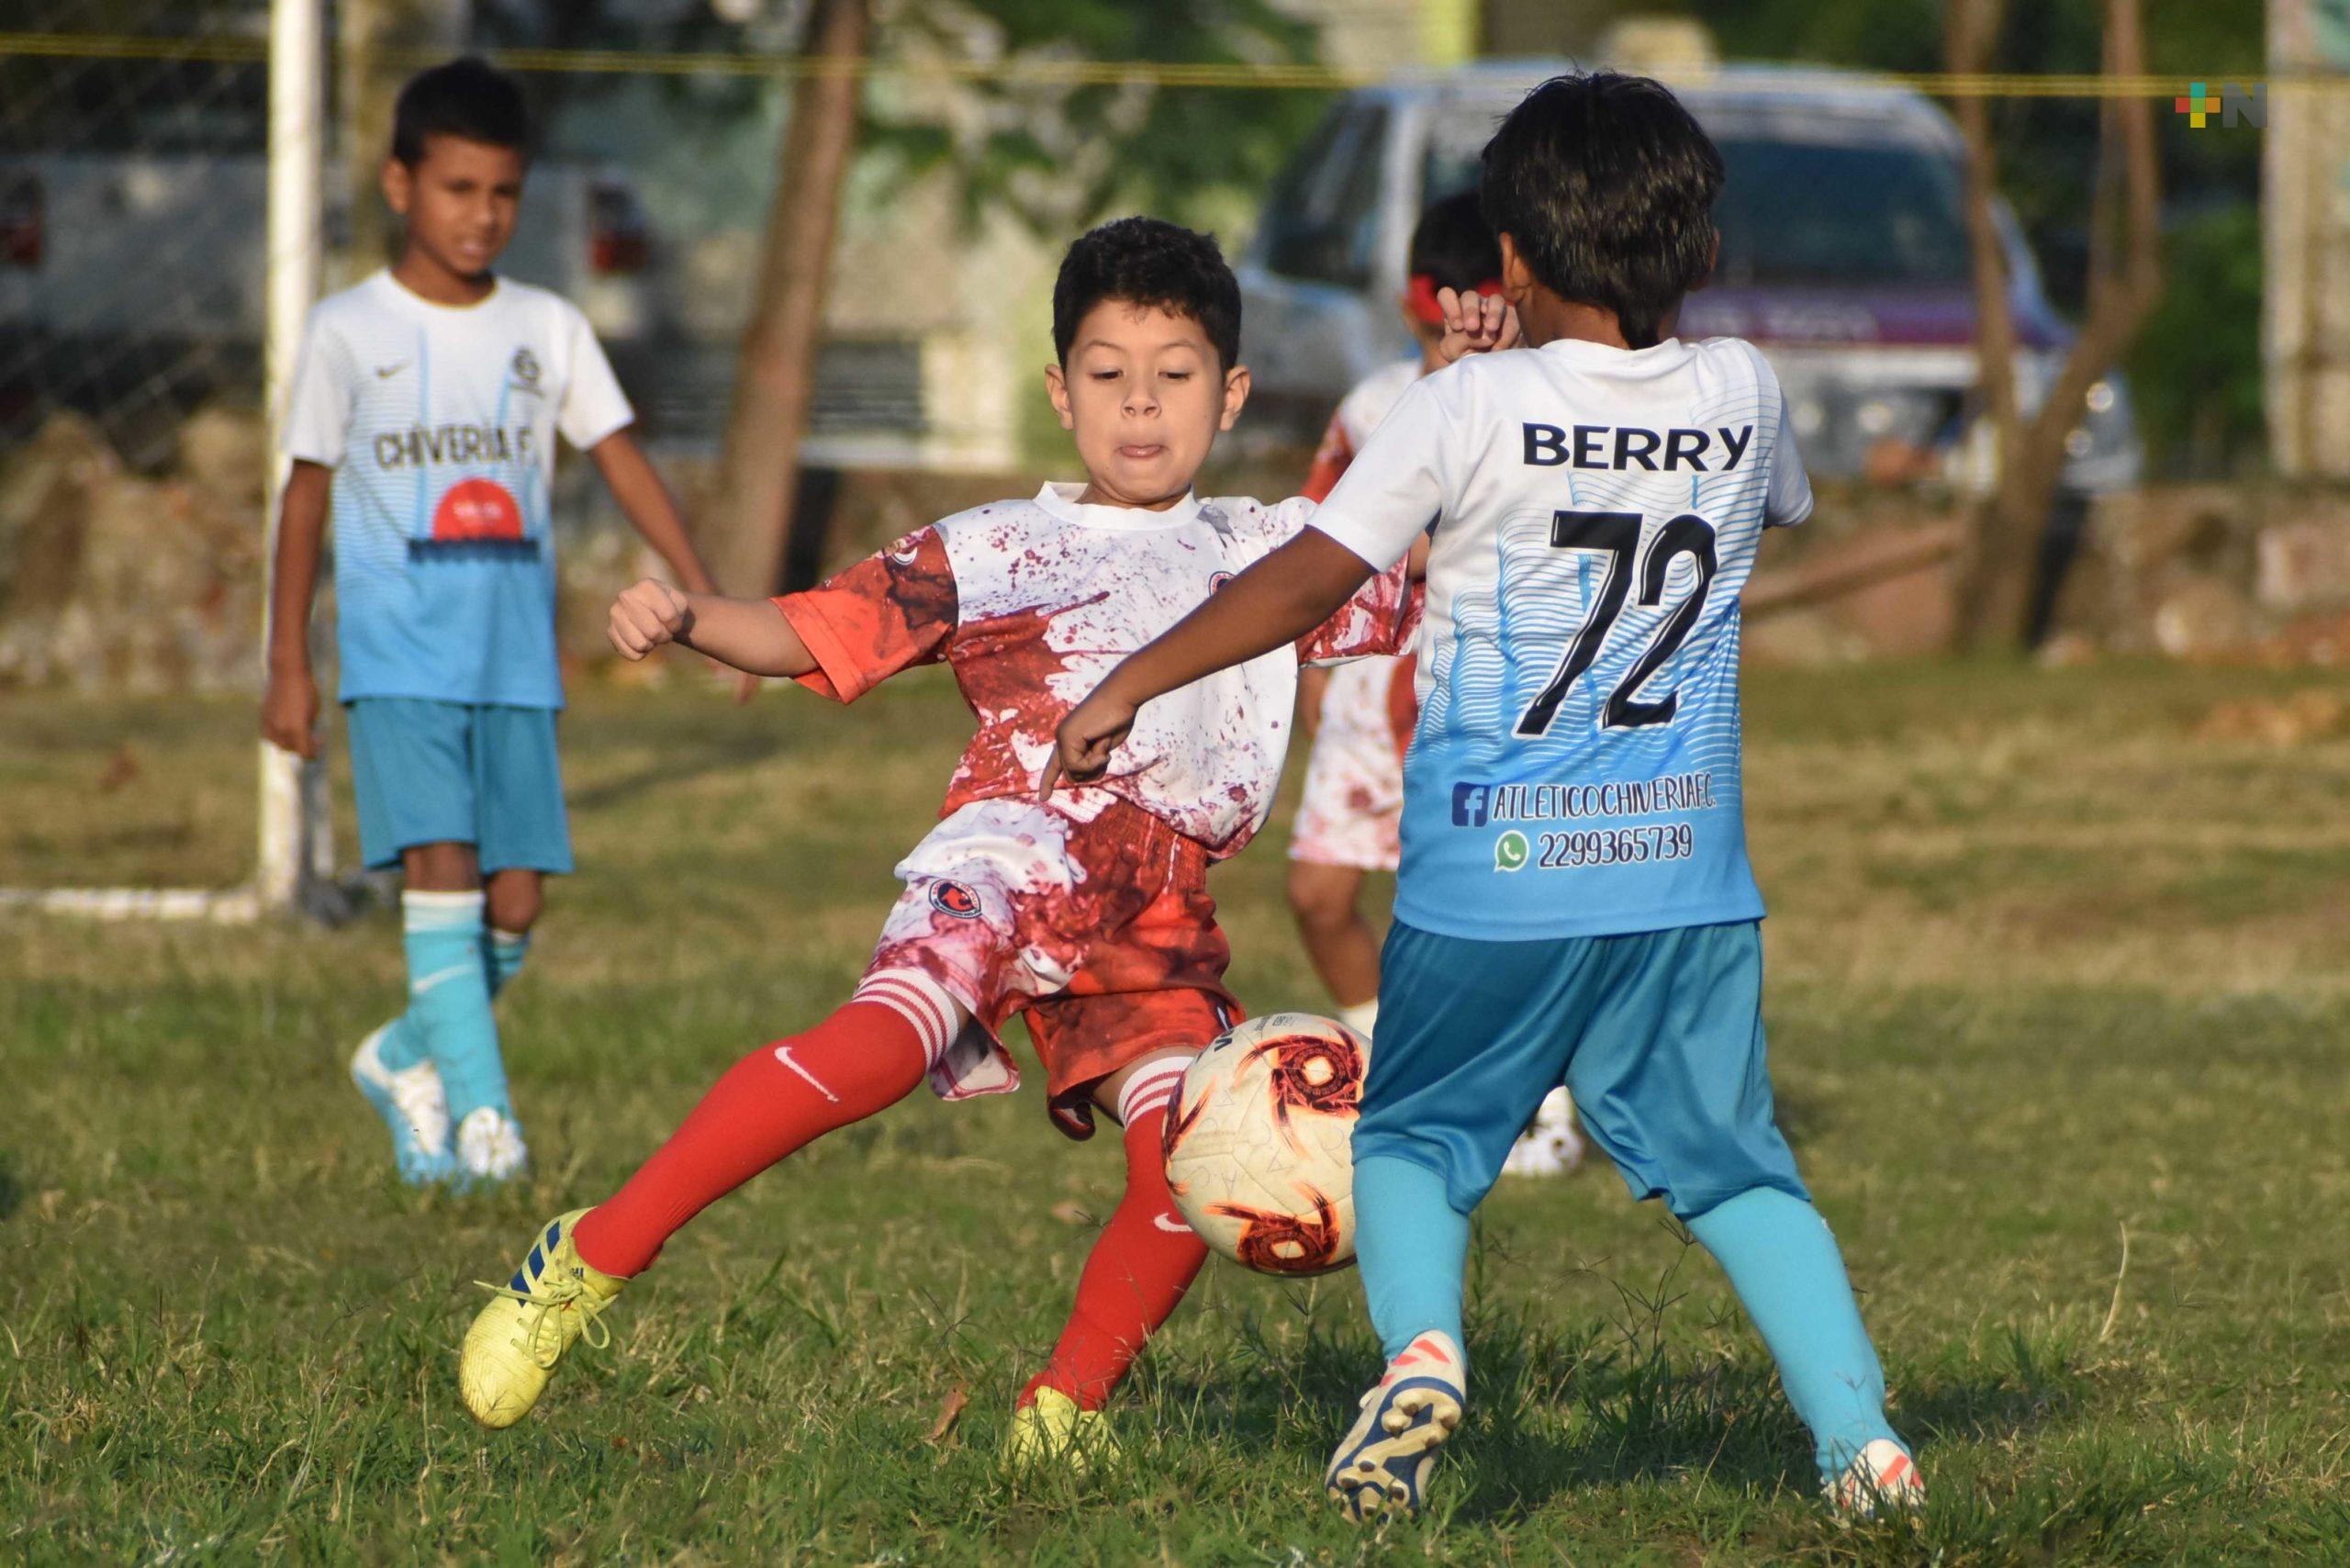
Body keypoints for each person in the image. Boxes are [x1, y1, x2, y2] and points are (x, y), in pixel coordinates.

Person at [1044, 73, 1922, 1522]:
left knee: (1413, 1140)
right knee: (1736, 1175)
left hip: (1491, 876)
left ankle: (1423, 1356)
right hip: (1685, 882)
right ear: (1702, 253)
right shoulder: (1745, 391)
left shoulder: (1464, 405)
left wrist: (1128, 682)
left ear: (1508, 262)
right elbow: (1776, 505)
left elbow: (1311, 577)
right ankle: (1863, 1449)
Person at [453, 218, 1419, 1468]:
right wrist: (692, 616)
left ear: (1229, 395)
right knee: (881, 1045)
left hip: (1157, 916)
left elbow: (1442, 553)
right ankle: (588, 1257)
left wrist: (1483, 392)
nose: (1140, 403)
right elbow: (812, 628)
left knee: (1183, 1160)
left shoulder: (1278, 551)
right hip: (1008, 861)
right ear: (1059, 391)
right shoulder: (998, 546)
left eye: (1174, 374)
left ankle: (1060, 1417)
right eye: (1108, 372)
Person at [260, 58, 722, 1187]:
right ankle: (487, 1126)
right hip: (396, 657)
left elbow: (618, 455)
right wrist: (288, 664)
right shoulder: (345, 330)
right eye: (458, 187)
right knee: (444, 870)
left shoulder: (546, 327)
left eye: (503, 192)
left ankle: (401, 1056)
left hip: (513, 661)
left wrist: (703, 590)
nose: (482, 214)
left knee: (514, 902)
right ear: (400, 184)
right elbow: (305, 495)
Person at [1287, 191, 1583, 1180]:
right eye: (1435, 322)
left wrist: (1413, 545)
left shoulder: (1543, 405)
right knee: (1318, 895)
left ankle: (1541, 1105)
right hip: (1369, 701)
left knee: (1483, 914)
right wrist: (1315, 658)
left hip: (1483, 698)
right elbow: (1315, 537)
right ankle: (1397, 1078)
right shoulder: (1373, 407)